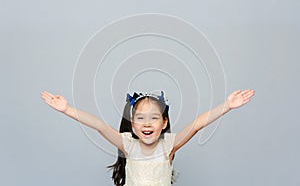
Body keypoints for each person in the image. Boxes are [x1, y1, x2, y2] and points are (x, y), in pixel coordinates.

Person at [41, 89, 254, 186]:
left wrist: (227, 106)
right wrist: (68, 109)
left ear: (164, 123)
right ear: (133, 125)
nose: (147, 124)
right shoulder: (128, 145)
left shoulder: (169, 146)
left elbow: (197, 124)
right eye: (140, 119)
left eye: (153, 118)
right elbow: (98, 125)